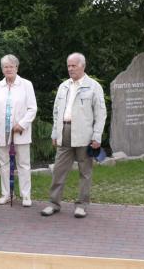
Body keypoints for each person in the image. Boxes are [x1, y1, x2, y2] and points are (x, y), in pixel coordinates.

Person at [41, 52, 107, 218]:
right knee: (58, 170)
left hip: (85, 135)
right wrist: (55, 132)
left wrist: (97, 136)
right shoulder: (64, 86)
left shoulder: (94, 86)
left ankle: (82, 205)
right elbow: (56, 111)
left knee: (85, 172)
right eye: (68, 66)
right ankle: (53, 203)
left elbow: (101, 113)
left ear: (83, 66)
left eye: (73, 66)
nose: (70, 69)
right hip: (64, 132)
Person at [0, 54, 37, 207]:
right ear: (2, 69)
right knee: (4, 163)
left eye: (11, 66)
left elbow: (32, 108)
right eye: (5, 67)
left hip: (20, 132)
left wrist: (22, 124)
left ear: (17, 67)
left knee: (23, 164)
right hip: (1, 131)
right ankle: (6, 194)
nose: (8, 69)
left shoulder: (26, 85)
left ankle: (26, 195)